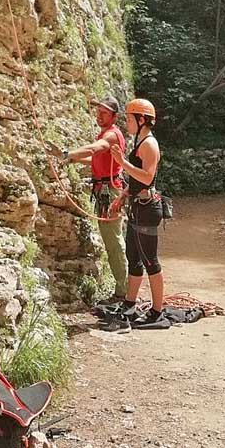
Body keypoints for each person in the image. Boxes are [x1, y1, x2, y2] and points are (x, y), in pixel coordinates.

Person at [107, 98, 168, 330]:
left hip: (147, 209)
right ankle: (130, 303)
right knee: (134, 257)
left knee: (150, 260)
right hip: (137, 206)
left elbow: (147, 177)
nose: (126, 122)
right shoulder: (139, 140)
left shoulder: (149, 145)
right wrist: (122, 196)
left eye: (129, 118)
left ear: (141, 120)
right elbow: (136, 180)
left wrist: (122, 162)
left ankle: (157, 311)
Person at [66, 95, 128, 303]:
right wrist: (72, 158)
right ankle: (123, 289)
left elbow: (94, 149)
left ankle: (123, 291)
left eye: (104, 113)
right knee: (111, 239)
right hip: (104, 190)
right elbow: (95, 157)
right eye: (98, 112)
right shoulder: (105, 133)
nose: (99, 116)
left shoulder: (111, 135)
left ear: (114, 116)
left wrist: (70, 153)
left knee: (113, 241)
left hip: (109, 192)